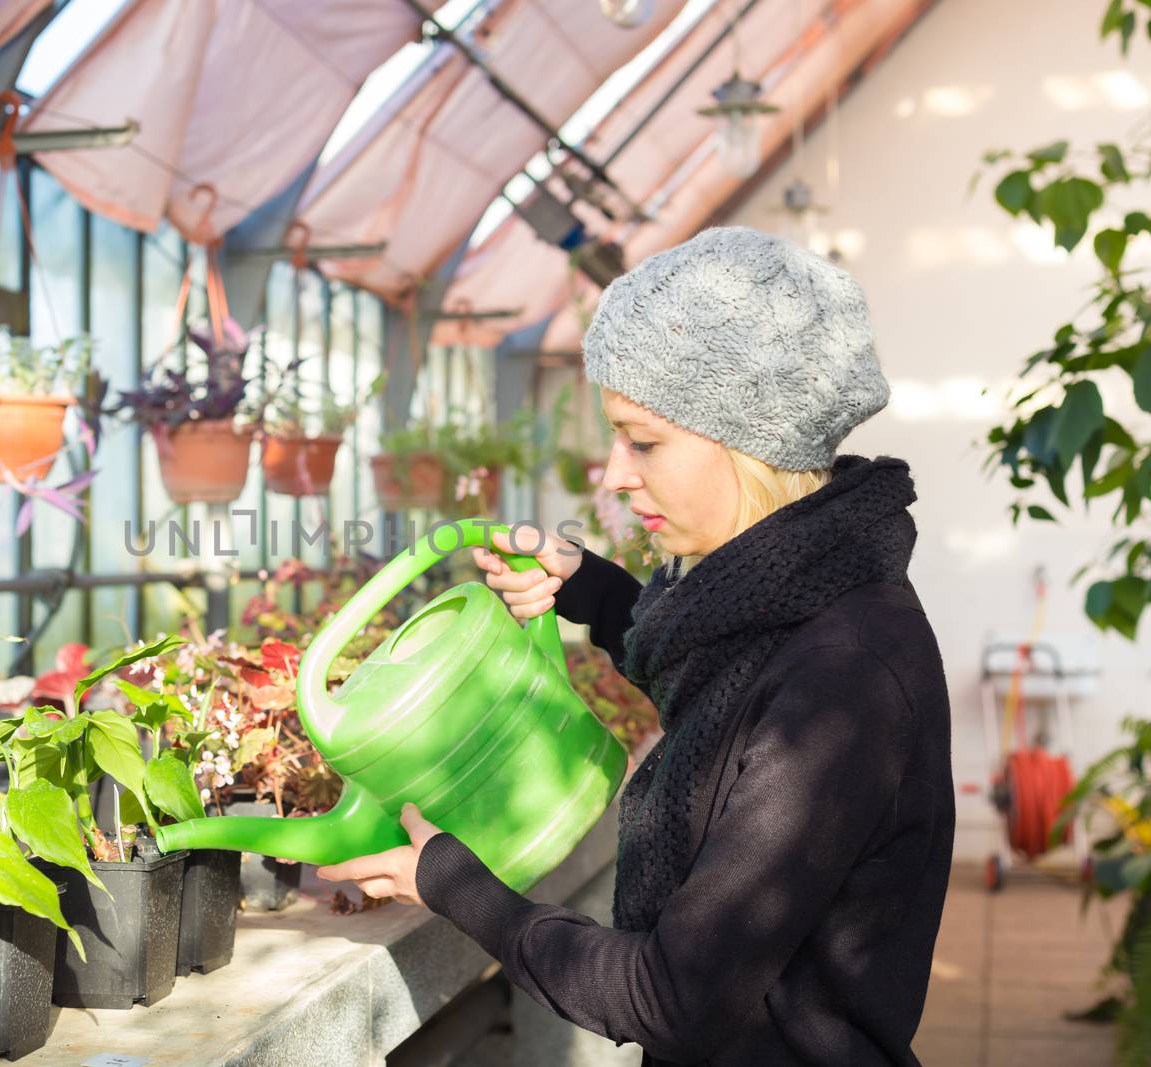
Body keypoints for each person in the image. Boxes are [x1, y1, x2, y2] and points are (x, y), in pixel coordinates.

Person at [319, 226, 954, 1066]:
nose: (614, 474)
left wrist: (452, 881)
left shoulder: (845, 684)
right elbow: (721, 687)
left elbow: (670, 995)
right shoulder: (793, 598)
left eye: (644, 440)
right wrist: (586, 584)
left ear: (747, 440)